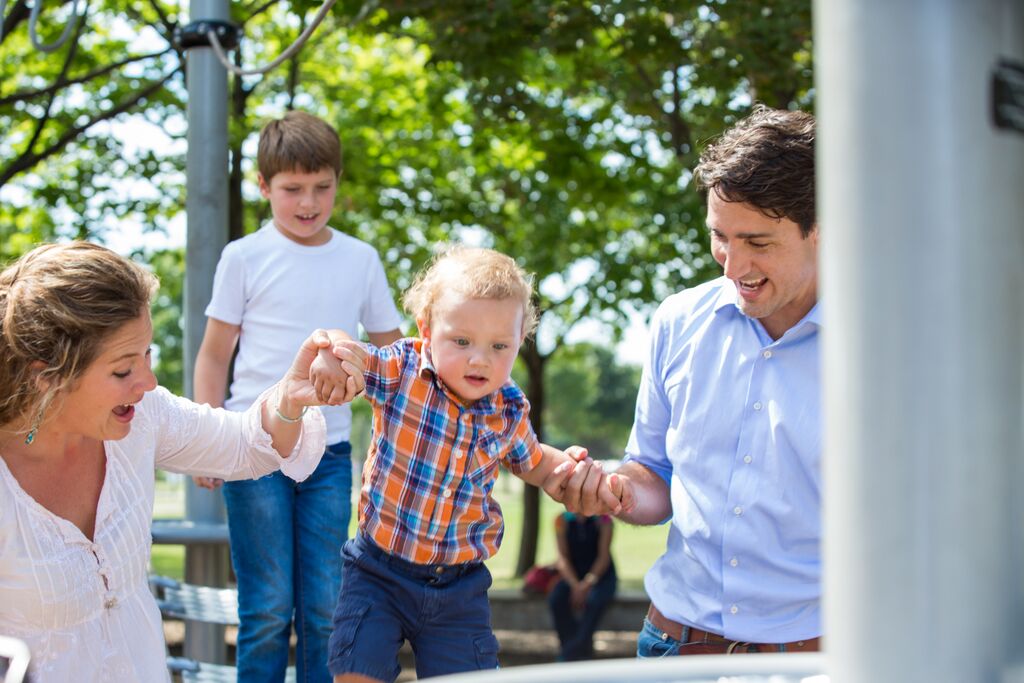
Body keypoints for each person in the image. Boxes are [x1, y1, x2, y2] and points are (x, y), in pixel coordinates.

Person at [0, 241, 363, 683]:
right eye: (122, 369)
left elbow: (246, 445)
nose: (148, 382)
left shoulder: (143, 414)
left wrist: (290, 395)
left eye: (147, 355)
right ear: (47, 377)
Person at [562, 105, 822, 656]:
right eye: (719, 237)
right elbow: (653, 475)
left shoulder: (886, 350)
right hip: (673, 645)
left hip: (816, 658)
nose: (732, 267)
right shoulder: (678, 320)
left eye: (758, 242)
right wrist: (614, 492)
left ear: (822, 229)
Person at [310, 245, 623, 683]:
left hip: (458, 588)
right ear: (427, 328)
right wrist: (331, 350)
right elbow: (352, 350)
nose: (481, 359)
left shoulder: (508, 408)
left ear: (520, 342)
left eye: (500, 345)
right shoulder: (402, 369)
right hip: (378, 572)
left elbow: (535, 462)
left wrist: (568, 471)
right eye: (462, 341)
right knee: (356, 672)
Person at [191, 110, 403, 683]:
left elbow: (395, 354)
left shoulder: (360, 260)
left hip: (330, 456)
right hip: (254, 447)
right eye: (291, 189)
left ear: (337, 181)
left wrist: (360, 365)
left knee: (324, 608)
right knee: (265, 608)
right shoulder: (243, 257)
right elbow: (214, 355)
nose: (308, 202)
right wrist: (210, 439)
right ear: (264, 187)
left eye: (322, 187)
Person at [547, 511, 617, 662]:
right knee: (556, 599)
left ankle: (572, 652)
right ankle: (572, 646)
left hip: (600, 576)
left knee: (594, 601)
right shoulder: (561, 520)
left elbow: (603, 556)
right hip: (573, 575)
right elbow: (562, 557)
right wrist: (575, 585)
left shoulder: (604, 519)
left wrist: (587, 583)